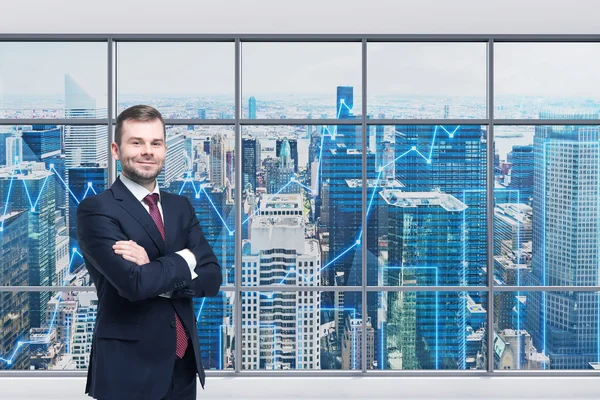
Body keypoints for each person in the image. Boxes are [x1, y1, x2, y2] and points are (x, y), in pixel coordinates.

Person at [76, 105, 222, 400]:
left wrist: (154, 269)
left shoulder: (180, 207)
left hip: (182, 366)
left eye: (155, 143)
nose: (147, 151)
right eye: (137, 142)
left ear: (165, 149)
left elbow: (212, 278)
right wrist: (186, 259)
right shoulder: (96, 210)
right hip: (127, 368)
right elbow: (134, 284)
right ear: (116, 150)